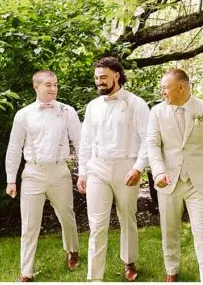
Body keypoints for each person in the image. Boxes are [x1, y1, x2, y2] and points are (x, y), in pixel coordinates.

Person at [146, 68, 203, 283]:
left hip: (198, 181)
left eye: (165, 88)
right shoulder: (157, 112)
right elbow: (153, 145)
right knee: (169, 230)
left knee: (202, 232)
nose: (162, 92)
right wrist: (158, 172)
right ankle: (171, 270)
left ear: (181, 87)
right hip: (168, 181)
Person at [78, 56, 150, 283]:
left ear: (117, 76)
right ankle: (95, 277)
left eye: (103, 77)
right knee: (97, 224)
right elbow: (86, 141)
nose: (99, 82)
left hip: (127, 168)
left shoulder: (136, 103)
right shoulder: (92, 107)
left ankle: (129, 261)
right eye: (97, 78)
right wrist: (83, 171)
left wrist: (139, 167)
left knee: (127, 217)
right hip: (98, 168)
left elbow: (148, 139)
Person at [5, 70, 81, 283]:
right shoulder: (24, 114)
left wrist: (84, 172)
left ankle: (72, 250)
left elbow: (81, 142)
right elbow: (14, 148)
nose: (53, 89)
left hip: (59, 171)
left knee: (67, 215)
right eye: (48, 85)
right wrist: (11, 179)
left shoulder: (67, 111)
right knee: (29, 224)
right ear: (36, 87)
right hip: (33, 173)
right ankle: (26, 271)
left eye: (55, 85)